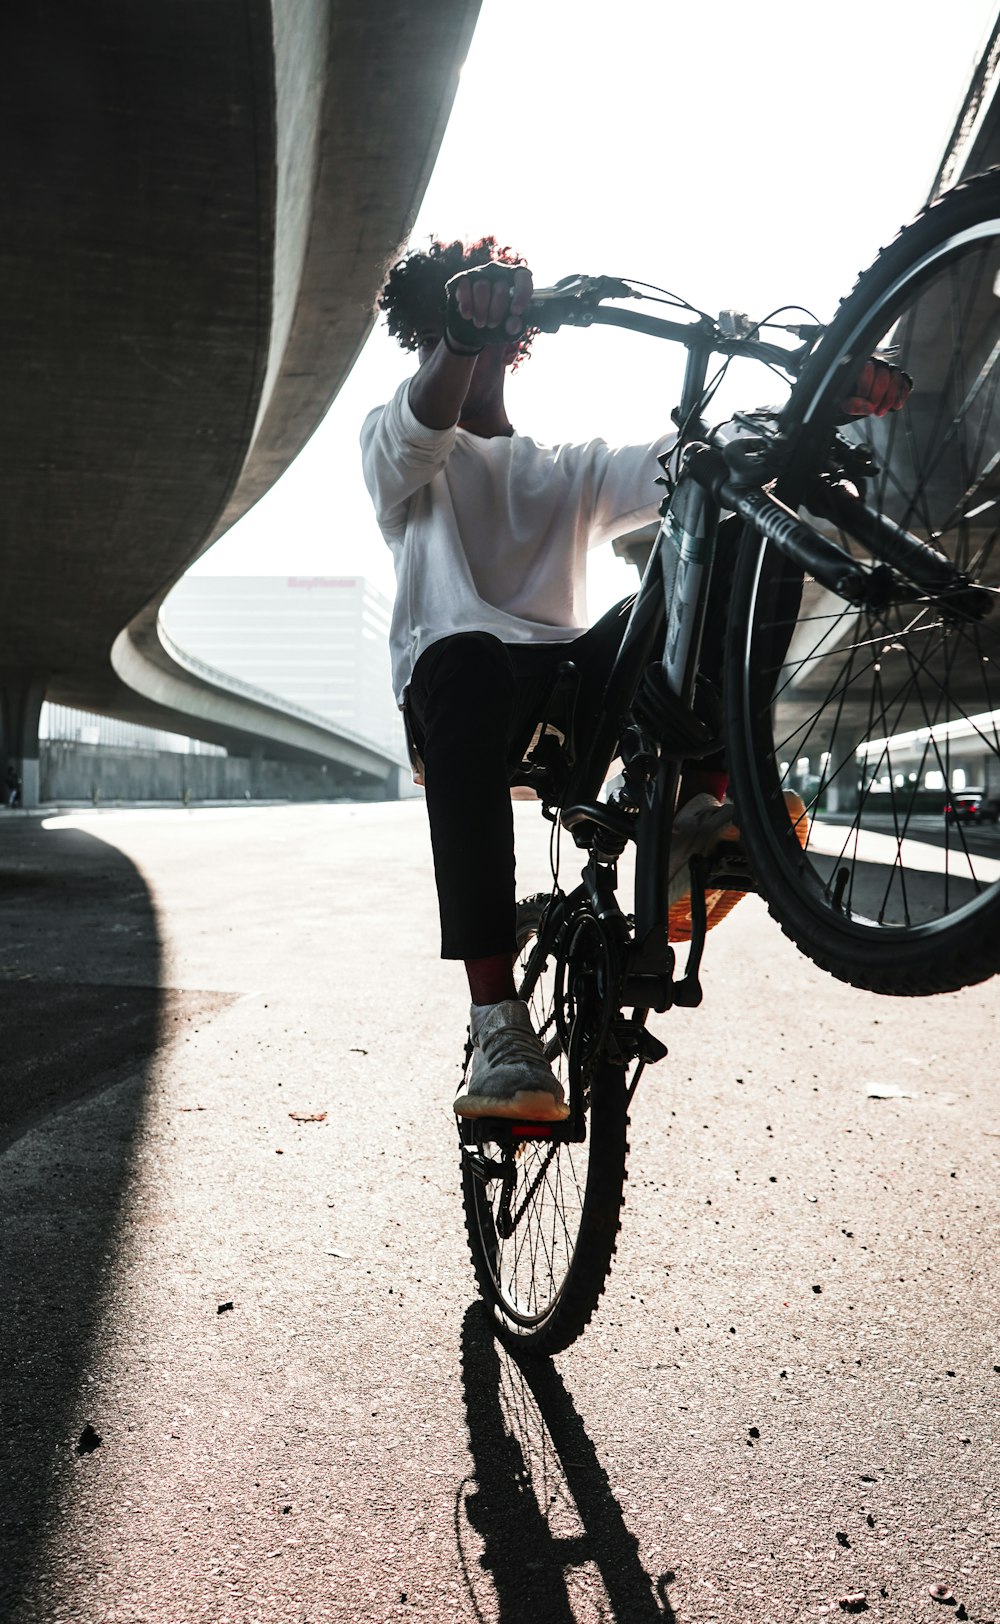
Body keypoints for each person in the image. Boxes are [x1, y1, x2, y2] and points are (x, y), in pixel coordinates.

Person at [361, 236, 907, 1125]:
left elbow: (696, 457)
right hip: (462, 701)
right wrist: (458, 337)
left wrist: (826, 404)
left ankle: (701, 808)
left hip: (575, 698)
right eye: (441, 333)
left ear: (519, 342)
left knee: (730, 507)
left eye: (488, 332)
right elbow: (421, 426)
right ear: (429, 336)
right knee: (467, 656)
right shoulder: (399, 442)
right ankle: (497, 1022)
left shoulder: (561, 467)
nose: (459, 352)